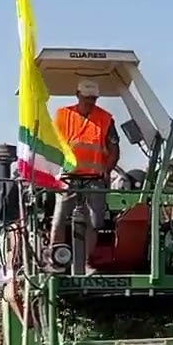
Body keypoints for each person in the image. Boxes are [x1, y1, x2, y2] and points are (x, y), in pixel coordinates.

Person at [49, 79, 121, 263]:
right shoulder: (63, 116)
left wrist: (107, 169)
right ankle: (54, 259)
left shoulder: (105, 119)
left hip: (94, 179)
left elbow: (114, 150)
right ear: (78, 95)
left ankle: (88, 261)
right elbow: (52, 145)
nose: (90, 101)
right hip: (68, 178)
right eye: (87, 98)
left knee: (93, 222)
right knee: (59, 218)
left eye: (94, 98)